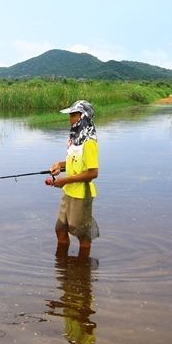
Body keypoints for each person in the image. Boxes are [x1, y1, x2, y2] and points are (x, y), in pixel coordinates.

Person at [45, 100, 99, 257]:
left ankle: (82, 270)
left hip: (81, 195)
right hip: (68, 192)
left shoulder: (89, 143)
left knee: (81, 233)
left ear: (83, 117)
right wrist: (59, 166)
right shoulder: (75, 140)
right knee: (60, 229)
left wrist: (64, 181)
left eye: (73, 115)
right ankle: (64, 264)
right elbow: (73, 164)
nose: (70, 119)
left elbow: (93, 173)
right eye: (70, 115)